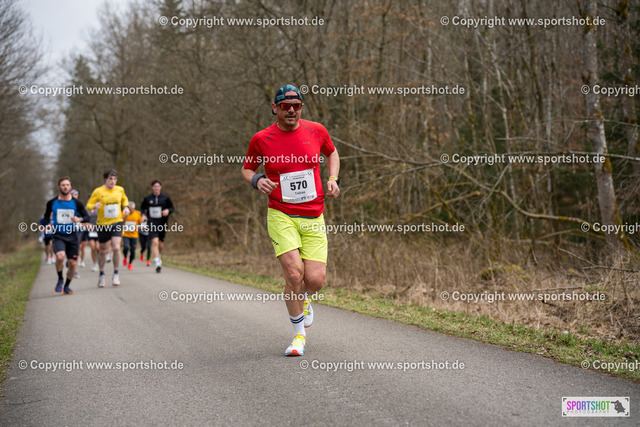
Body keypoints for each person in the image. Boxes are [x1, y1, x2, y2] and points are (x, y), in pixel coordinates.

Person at [241, 84, 340, 356]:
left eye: (296, 106)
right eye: (285, 106)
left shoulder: (316, 131)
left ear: (302, 108)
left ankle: (303, 298)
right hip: (281, 213)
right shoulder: (261, 139)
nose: (291, 110)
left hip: (313, 214)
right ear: (275, 108)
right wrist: (257, 179)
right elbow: (247, 168)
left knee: (315, 280)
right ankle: (299, 336)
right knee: (294, 273)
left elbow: (331, 152)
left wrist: (333, 178)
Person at [41, 177, 90, 295]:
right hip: (58, 235)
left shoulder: (76, 203)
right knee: (60, 257)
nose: (65, 187)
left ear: (70, 186)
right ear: (59, 187)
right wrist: (47, 224)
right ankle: (60, 279)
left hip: (72, 236)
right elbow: (46, 216)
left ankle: (67, 286)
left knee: (73, 263)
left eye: (67, 185)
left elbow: (87, 216)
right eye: (63, 185)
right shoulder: (52, 202)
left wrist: (79, 219)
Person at [86, 169, 130, 287]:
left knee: (116, 247)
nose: (113, 181)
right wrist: (94, 205)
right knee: (102, 251)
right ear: (105, 179)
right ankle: (101, 274)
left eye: (115, 179)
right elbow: (88, 205)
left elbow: (124, 199)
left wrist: (126, 207)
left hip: (117, 222)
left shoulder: (120, 190)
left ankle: (116, 273)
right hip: (102, 224)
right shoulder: (98, 191)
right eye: (110, 178)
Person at [141, 180, 174, 273]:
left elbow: (172, 208)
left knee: (161, 243)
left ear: (160, 187)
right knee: (155, 242)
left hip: (162, 222)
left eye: (158, 186)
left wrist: (168, 211)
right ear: (152, 187)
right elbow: (143, 208)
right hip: (152, 222)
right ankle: (157, 263)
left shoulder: (166, 198)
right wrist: (143, 215)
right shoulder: (147, 198)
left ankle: (159, 255)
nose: (156, 188)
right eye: (155, 186)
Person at [121, 201, 142, 270]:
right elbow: (120, 221)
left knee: (133, 250)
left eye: (131, 209)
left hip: (134, 235)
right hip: (125, 234)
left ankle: (130, 263)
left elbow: (141, 223)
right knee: (126, 248)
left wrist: (143, 226)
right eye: (129, 209)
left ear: (134, 208)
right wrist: (125, 216)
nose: (130, 210)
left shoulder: (138, 214)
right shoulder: (124, 213)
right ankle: (125, 257)